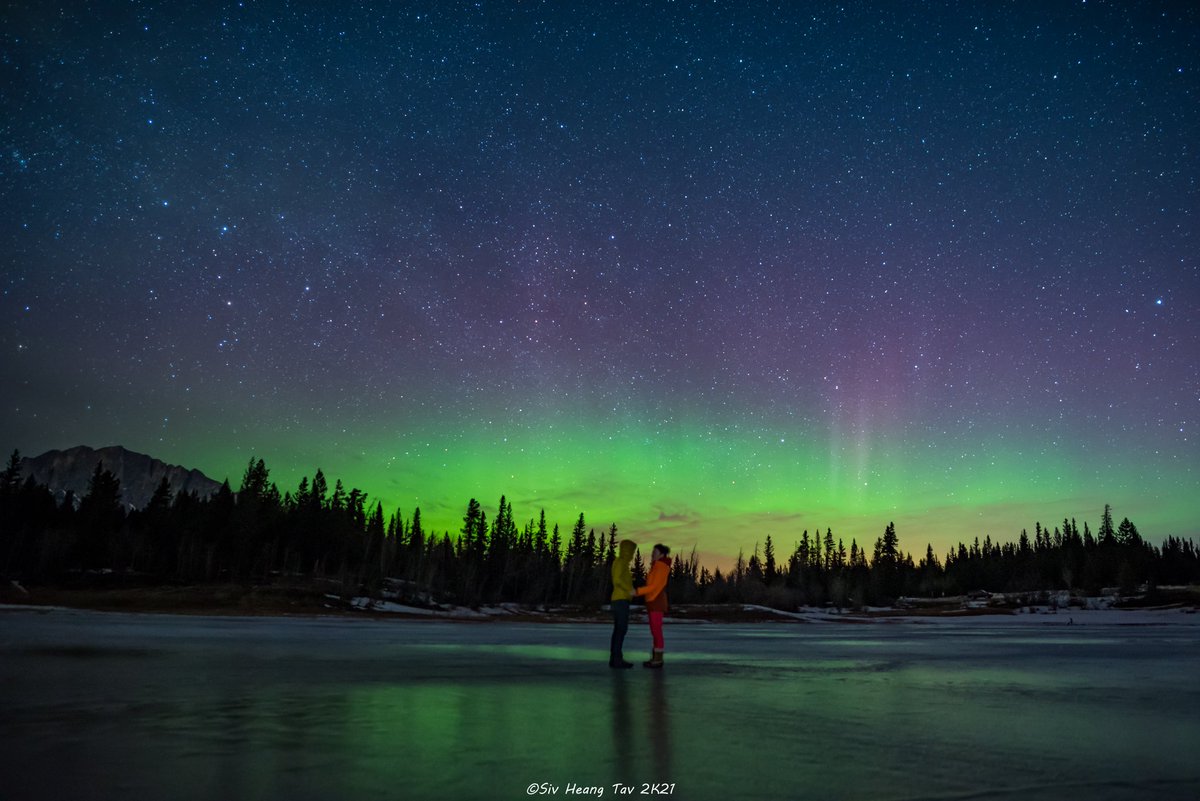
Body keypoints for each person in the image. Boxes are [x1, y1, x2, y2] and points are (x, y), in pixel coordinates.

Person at [634, 543, 671, 668]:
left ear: (661, 554)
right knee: (654, 630)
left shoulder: (661, 567)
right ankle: (656, 657)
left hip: (656, 601)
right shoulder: (656, 567)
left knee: (656, 631)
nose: (652, 554)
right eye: (652, 552)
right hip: (652, 601)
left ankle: (658, 659)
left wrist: (637, 591)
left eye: (654, 552)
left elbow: (654, 586)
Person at [609, 539, 638, 668]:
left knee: (619, 630)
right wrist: (629, 590)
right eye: (631, 551)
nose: (632, 555)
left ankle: (616, 658)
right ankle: (616, 659)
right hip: (620, 600)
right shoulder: (620, 562)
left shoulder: (622, 563)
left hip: (621, 599)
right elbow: (617, 580)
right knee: (620, 630)